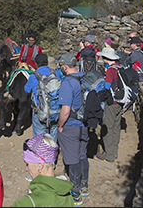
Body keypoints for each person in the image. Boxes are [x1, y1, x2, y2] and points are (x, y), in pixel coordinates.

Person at [56, 53, 89, 206]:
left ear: (65, 66)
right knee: (82, 156)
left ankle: (75, 194)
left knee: (72, 159)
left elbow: (66, 110)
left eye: (60, 66)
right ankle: (84, 186)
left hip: (71, 126)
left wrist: (60, 125)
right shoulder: (83, 78)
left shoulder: (67, 83)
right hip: (84, 125)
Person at [11, 133, 74, 207]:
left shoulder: (31, 202)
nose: (26, 169)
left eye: (27, 164)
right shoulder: (65, 191)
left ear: (40, 165)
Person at [24, 53, 63, 143]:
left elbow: (26, 90)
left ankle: (43, 155)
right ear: (47, 62)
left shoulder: (33, 76)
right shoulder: (55, 73)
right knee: (53, 136)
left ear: (36, 64)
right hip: (56, 112)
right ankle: (52, 154)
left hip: (40, 113)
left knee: (40, 139)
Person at [95, 47, 123, 163]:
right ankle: (114, 152)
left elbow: (107, 86)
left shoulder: (111, 70)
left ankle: (109, 155)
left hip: (112, 102)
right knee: (116, 127)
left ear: (107, 58)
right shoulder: (120, 67)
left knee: (108, 127)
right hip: (120, 101)